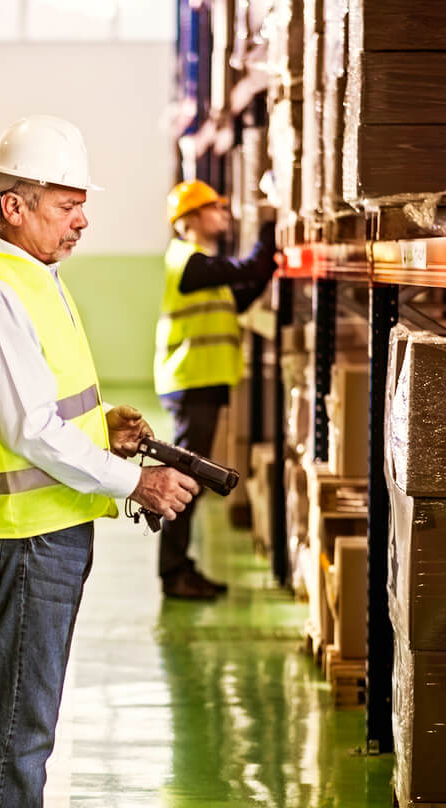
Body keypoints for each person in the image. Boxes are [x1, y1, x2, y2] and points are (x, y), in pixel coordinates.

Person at [0, 116, 199, 808]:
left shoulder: (32, 280)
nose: (80, 220)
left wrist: (103, 432)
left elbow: (51, 414)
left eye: (82, 206)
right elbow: (28, 431)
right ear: (13, 207)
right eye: (64, 206)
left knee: (25, 707)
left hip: (45, 526)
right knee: (20, 713)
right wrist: (136, 478)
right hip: (25, 533)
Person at [152, 181, 277, 600]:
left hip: (200, 383)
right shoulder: (189, 263)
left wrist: (268, 260)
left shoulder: (204, 268)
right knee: (186, 479)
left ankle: (179, 565)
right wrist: (270, 223)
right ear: (190, 219)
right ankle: (173, 573)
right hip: (191, 382)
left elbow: (242, 292)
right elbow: (247, 270)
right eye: (214, 208)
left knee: (192, 479)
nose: (224, 214)